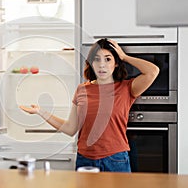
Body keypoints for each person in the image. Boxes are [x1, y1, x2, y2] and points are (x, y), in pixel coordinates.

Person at [19, 38, 159, 172]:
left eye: (108, 59)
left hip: (116, 160)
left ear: (116, 63)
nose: (101, 64)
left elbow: (153, 71)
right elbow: (70, 128)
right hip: (85, 159)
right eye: (96, 59)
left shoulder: (126, 88)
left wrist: (124, 56)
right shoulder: (82, 89)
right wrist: (40, 112)